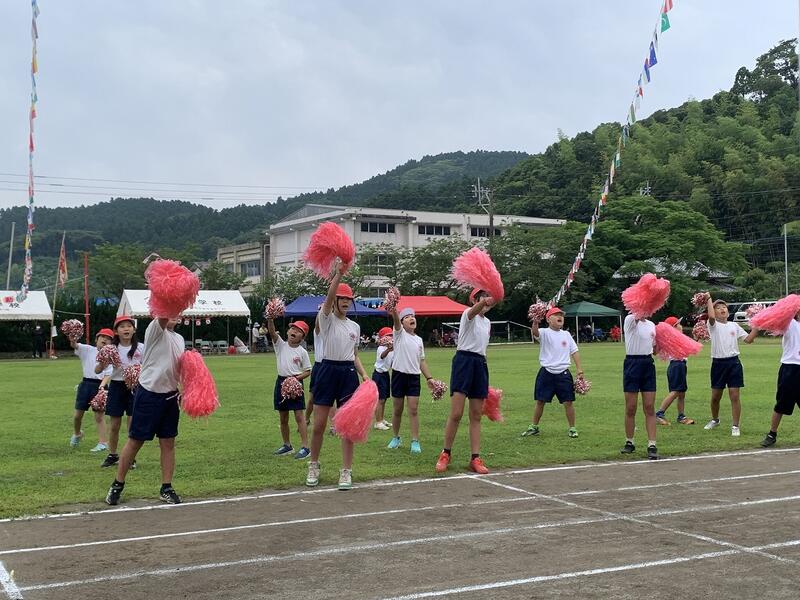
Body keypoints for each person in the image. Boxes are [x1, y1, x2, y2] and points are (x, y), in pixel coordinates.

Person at [105, 316, 185, 505]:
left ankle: (166, 487)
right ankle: (117, 484)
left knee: (168, 442)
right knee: (136, 441)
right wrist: (171, 302)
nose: (175, 314)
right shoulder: (155, 328)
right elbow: (164, 314)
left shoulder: (179, 339)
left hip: (170, 395)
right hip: (149, 394)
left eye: (179, 311)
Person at [306, 261, 369, 490]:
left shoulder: (355, 327)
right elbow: (329, 297)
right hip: (326, 371)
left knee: (347, 427)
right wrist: (338, 275)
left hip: (348, 374)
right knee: (319, 425)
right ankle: (314, 465)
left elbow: (354, 355)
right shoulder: (326, 319)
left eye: (348, 299)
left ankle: (346, 470)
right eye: (341, 298)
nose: (344, 302)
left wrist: (364, 375)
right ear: (334, 301)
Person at [435, 288, 496, 475]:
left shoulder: (487, 322)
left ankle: (475, 458)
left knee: (476, 415)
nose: (486, 300)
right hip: (463, 362)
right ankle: (445, 453)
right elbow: (473, 311)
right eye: (482, 297)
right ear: (474, 300)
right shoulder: (467, 314)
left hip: (480, 363)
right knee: (456, 413)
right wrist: (485, 301)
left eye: (487, 296)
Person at [523, 306, 584, 438]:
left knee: (568, 402)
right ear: (548, 319)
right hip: (546, 372)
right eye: (556, 315)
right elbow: (535, 333)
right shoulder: (544, 332)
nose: (560, 317)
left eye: (561, 315)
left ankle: (572, 428)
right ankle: (534, 427)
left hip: (564, 373)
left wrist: (579, 369)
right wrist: (535, 321)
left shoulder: (566, 334)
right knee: (540, 401)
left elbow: (574, 351)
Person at [703, 296, 758, 436]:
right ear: (714, 312)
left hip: (734, 363)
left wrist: (757, 325)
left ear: (728, 311)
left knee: (734, 395)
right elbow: (710, 316)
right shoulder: (712, 325)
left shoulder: (734, 326)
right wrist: (708, 298)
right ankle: (715, 420)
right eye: (718, 308)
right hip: (718, 364)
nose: (722, 309)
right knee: (715, 397)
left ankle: (735, 426)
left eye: (724, 307)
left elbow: (749, 340)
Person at [387, 307, 436, 454]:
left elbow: (421, 361)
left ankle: (415, 441)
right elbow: (396, 320)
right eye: (407, 317)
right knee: (397, 409)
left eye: (412, 316)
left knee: (413, 410)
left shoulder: (419, 340)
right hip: (398, 376)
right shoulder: (399, 334)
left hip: (414, 377)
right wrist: (394, 309)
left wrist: (429, 378)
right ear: (402, 322)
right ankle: (396, 437)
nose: (411, 318)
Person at [98, 316, 144, 469]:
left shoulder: (141, 348)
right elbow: (98, 370)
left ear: (134, 330)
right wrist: (103, 363)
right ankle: (112, 455)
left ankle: (131, 458)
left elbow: (148, 365)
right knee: (115, 425)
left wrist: (138, 372)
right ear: (116, 331)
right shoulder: (112, 349)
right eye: (122, 326)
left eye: (129, 326)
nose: (126, 329)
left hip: (135, 388)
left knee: (132, 425)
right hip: (117, 387)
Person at [267, 317, 312, 459]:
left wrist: (296, 379)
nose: (294, 331)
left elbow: (308, 371)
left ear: (302, 337)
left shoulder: (302, 352)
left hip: (296, 384)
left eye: (299, 331)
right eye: (292, 328)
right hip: (281, 382)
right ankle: (287, 445)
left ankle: (305, 447)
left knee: (299, 416)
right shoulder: (281, 345)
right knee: (283, 416)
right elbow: (272, 332)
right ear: (287, 332)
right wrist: (270, 319)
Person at [620, 312, 659, 460]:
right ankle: (629, 442)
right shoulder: (630, 319)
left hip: (648, 364)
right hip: (632, 363)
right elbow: (637, 313)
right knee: (631, 407)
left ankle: (652, 445)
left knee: (649, 406)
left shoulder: (651, 325)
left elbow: (655, 350)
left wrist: (667, 340)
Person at [759, 308, 800, 447]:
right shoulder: (789, 322)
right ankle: (772, 434)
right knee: (781, 403)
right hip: (790, 367)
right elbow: (776, 318)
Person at [69, 328, 114, 451]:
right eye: (102, 337)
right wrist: (72, 339)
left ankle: (103, 443)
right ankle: (77, 433)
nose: (105, 339)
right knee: (77, 415)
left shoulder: (110, 355)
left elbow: (108, 374)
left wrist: (102, 387)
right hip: (85, 385)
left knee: (99, 417)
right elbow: (75, 345)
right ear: (96, 339)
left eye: (108, 338)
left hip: (100, 386)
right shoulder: (88, 349)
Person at [655, 317, 695, 426]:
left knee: (681, 393)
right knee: (676, 391)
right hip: (677, 365)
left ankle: (681, 416)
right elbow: (689, 349)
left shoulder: (677, 337)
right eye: (678, 324)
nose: (681, 326)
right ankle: (659, 413)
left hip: (679, 365)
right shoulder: (673, 338)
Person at [372, 326, 393, 431]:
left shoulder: (392, 349)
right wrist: (389, 349)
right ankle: (378, 422)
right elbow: (382, 356)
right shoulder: (381, 348)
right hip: (378, 374)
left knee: (384, 399)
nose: (390, 337)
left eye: (391, 335)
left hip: (385, 374)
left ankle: (382, 418)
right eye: (388, 335)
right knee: (380, 399)